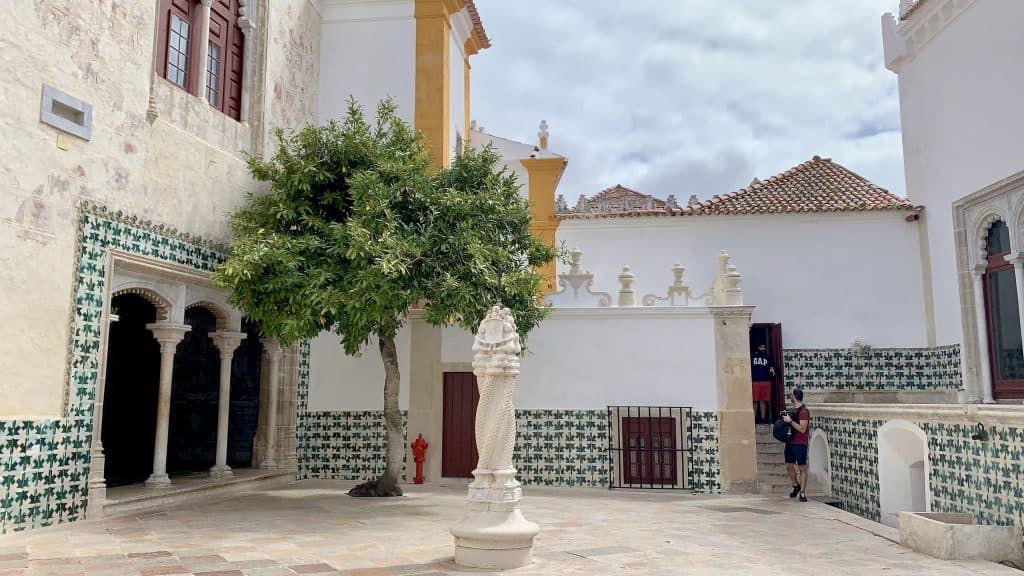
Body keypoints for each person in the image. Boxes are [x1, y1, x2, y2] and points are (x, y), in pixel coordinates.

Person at [781, 388, 810, 502]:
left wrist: (790, 421)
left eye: (791, 395)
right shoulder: (792, 410)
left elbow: (802, 429)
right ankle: (795, 485)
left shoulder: (804, 411)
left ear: (794, 396)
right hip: (790, 442)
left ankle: (802, 492)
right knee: (789, 465)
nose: (790, 397)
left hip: (800, 443)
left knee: (802, 467)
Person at [750, 343, 775, 424]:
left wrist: (772, 370)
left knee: (763, 401)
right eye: (761, 347)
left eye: (764, 347)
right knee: (755, 401)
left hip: (766, 381)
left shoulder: (768, 356)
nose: (763, 348)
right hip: (755, 381)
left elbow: (771, 367)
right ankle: (753, 420)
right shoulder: (752, 356)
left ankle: (763, 419)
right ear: (758, 347)